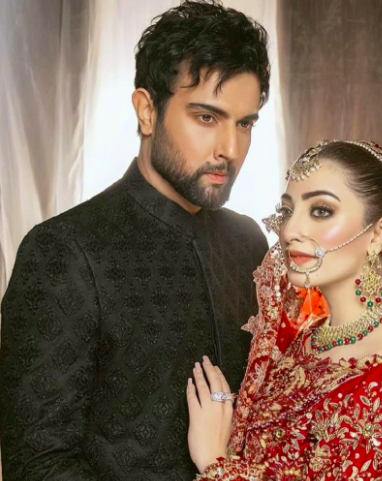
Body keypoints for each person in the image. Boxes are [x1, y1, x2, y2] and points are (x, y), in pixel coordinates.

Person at [0, 1, 270, 479]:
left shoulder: (248, 243)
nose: (230, 148)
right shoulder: (64, 250)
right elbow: (38, 464)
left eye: (244, 123)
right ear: (147, 111)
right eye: (207, 117)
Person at [186, 140, 382, 480]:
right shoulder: (306, 338)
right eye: (287, 211)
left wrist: (215, 463)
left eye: (320, 211)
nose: (290, 230)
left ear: (379, 233)